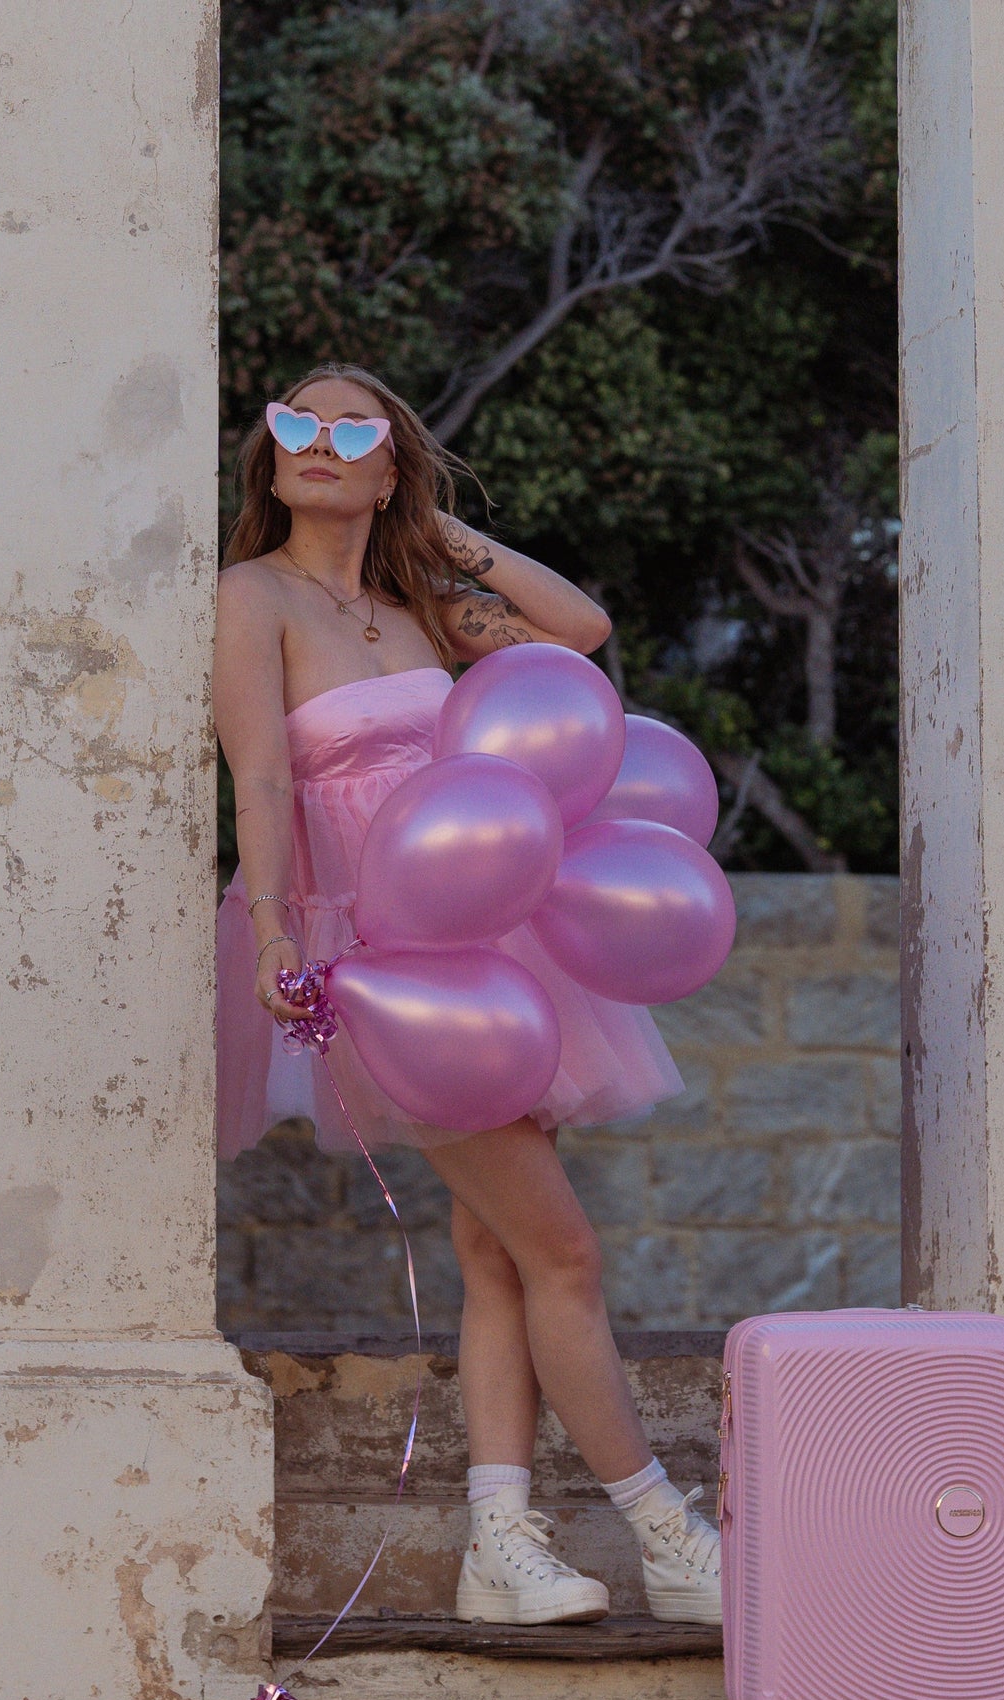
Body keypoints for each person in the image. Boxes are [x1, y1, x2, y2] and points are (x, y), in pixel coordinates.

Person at [214, 362, 720, 1628]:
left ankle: (499, 1539)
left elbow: (580, 634)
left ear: (388, 465)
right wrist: (277, 936)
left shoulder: (417, 605)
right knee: (564, 1248)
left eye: (350, 430)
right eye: (294, 421)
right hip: (390, 963)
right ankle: (663, 1527)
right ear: (268, 451)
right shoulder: (250, 597)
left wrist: (440, 534)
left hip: (495, 946)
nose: (314, 443)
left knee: (499, 1254)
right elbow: (264, 783)